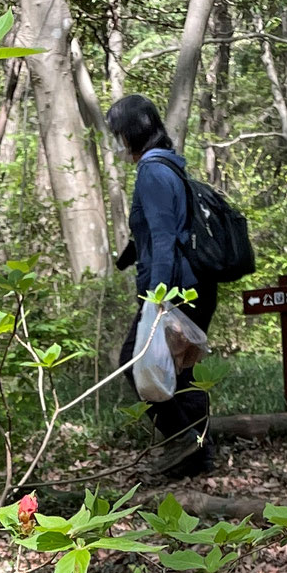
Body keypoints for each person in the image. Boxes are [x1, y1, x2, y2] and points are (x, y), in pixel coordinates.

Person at [108, 93, 218, 479]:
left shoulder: (153, 173)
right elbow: (159, 232)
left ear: (129, 134)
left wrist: (156, 301)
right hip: (189, 286)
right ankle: (197, 454)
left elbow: (165, 236)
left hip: (173, 290)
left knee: (135, 362)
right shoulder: (169, 167)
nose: (117, 143)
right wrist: (128, 255)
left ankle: (189, 442)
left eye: (118, 134)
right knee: (180, 371)